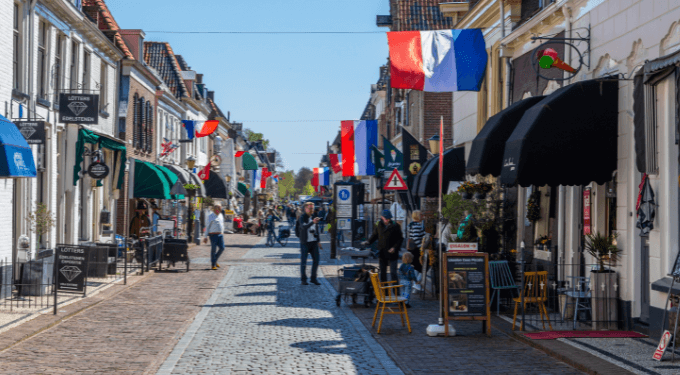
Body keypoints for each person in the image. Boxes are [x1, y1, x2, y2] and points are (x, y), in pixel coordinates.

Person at [364, 209, 404, 282]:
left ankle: (396, 291)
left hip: (393, 253)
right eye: (386, 218)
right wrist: (368, 242)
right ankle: (384, 291)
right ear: (382, 217)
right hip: (382, 252)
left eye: (389, 218)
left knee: (393, 273)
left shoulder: (395, 225)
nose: (388, 220)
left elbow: (400, 239)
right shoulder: (379, 224)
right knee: (383, 273)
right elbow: (375, 235)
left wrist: (394, 248)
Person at [296, 202, 322, 285]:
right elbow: (303, 227)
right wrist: (312, 222)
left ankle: (313, 278)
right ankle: (303, 279)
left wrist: (318, 241)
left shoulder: (314, 216)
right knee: (304, 261)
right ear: (305, 209)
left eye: (313, 208)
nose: (312, 210)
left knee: (316, 260)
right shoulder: (302, 217)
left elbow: (316, 229)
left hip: (314, 242)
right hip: (305, 242)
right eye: (310, 208)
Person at [203, 204, 225, 270]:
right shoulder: (210, 216)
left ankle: (215, 260)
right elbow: (207, 227)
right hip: (213, 235)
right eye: (218, 209)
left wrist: (222, 231)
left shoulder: (221, 215)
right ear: (215, 209)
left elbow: (222, 224)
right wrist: (205, 237)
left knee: (222, 248)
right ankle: (213, 264)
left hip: (220, 234)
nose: (219, 210)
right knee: (213, 250)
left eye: (220, 209)